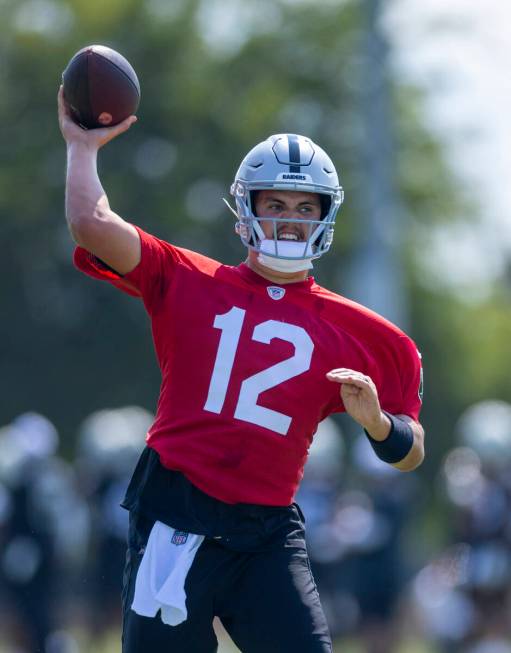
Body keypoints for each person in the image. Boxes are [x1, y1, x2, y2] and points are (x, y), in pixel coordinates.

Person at [57, 86, 425, 653]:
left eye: (305, 208)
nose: (289, 221)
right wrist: (82, 148)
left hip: (268, 532)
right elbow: (90, 222)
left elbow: (409, 452)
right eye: (274, 204)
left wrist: (377, 423)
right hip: (174, 512)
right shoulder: (189, 279)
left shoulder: (367, 334)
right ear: (245, 210)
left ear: (326, 217)